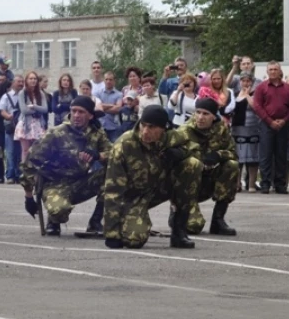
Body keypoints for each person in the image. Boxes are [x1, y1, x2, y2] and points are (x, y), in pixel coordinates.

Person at [103, 105, 202, 249]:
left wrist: (181, 153)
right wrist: (111, 233)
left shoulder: (171, 137)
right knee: (134, 240)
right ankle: (129, 223)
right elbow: (113, 190)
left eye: (152, 127)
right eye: (143, 125)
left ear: (163, 129)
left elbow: (197, 149)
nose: (145, 131)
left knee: (192, 164)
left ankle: (179, 230)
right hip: (132, 197)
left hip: (158, 188)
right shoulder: (124, 145)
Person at [20, 96, 111, 235]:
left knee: (112, 175)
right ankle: (54, 220)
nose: (76, 115)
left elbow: (115, 154)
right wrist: (28, 198)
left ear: (90, 115)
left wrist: (98, 155)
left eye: (81, 112)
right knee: (59, 211)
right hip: (55, 185)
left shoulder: (97, 133)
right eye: (73, 111)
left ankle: (95, 222)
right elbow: (30, 163)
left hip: (81, 182)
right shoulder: (56, 133)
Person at [178, 98, 240, 235]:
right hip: (186, 186)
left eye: (205, 114)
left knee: (232, 165)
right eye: (198, 112)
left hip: (208, 182)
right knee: (193, 227)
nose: (200, 117)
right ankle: (177, 214)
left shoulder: (221, 129)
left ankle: (218, 220)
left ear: (213, 116)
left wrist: (218, 154)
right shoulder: (184, 131)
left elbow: (234, 154)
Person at [252, 61, 289, 193]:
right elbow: (257, 106)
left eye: (275, 69)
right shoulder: (261, 87)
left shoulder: (288, 88)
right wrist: (269, 121)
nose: (273, 72)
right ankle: (265, 183)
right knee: (266, 155)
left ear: (280, 71)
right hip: (266, 124)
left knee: (281, 155)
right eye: (270, 69)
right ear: (267, 71)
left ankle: (280, 184)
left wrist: (284, 120)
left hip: (283, 125)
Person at [231, 72, 260, 192]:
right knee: (238, 157)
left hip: (253, 127)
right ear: (240, 82)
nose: (245, 83)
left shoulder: (255, 94)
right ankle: (237, 183)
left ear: (252, 83)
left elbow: (256, 107)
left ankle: (251, 184)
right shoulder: (235, 94)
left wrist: (247, 95)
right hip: (237, 128)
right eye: (243, 81)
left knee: (252, 158)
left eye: (248, 81)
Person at [15, 71, 48, 162]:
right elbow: (24, 110)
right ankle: (25, 171)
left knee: (36, 150)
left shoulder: (40, 93)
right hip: (25, 123)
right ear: (27, 80)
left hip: (38, 123)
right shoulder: (22, 93)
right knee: (25, 150)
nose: (33, 80)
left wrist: (34, 106)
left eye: (35, 79)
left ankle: (34, 171)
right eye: (31, 78)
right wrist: (37, 110)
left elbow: (45, 109)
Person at [0, 74, 24, 184]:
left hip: (23, 127)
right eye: (18, 81)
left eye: (22, 81)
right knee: (10, 152)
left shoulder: (25, 95)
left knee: (20, 152)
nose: (20, 83)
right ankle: (10, 175)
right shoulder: (6, 96)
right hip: (11, 126)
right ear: (13, 83)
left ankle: (19, 175)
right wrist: (8, 116)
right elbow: (1, 110)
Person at [95, 71, 124, 142]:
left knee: (114, 149)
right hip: (100, 126)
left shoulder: (119, 94)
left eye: (110, 79)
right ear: (103, 80)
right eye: (106, 79)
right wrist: (111, 105)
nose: (108, 81)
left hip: (114, 128)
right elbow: (97, 107)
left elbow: (117, 109)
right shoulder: (98, 93)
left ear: (114, 81)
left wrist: (102, 108)